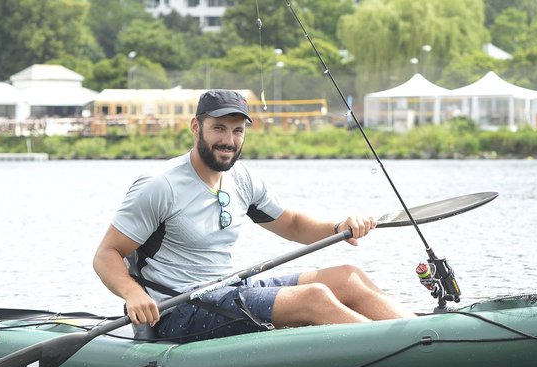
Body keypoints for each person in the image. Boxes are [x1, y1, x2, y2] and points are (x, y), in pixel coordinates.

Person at [93, 89, 413, 342]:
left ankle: (424, 335)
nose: (229, 141)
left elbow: (293, 224)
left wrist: (338, 226)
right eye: (218, 129)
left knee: (347, 276)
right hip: (176, 310)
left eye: (237, 131)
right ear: (196, 127)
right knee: (314, 297)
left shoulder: (242, 178)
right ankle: (402, 351)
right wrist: (133, 293)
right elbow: (107, 254)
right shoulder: (159, 185)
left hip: (227, 288)